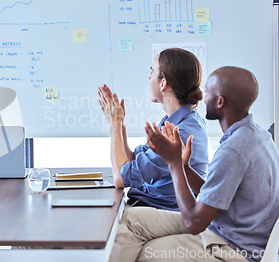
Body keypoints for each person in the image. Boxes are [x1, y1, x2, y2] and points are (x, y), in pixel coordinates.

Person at [113, 66, 279, 262]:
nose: (201, 98)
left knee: (146, 252)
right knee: (132, 221)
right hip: (225, 228)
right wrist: (184, 167)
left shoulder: (233, 150)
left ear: (220, 102)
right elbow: (215, 193)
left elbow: (194, 222)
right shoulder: (258, 135)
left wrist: (173, 163)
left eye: (207, 92)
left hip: (231, 247)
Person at [98, 48, 208, 210]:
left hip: (158, 211)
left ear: (163, 83)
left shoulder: (182, 131)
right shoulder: (178, 121)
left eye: (152, 72)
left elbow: (121, 179)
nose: (149, 78)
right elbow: (132, 161)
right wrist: (120, 124)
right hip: (148, 205)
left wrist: (115, 124)